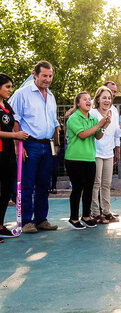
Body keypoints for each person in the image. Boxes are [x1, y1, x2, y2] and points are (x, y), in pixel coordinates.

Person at [10, 61, 60, 233]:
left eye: (50, 76)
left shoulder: (51, 96)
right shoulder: (22, 93)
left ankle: (41, 219)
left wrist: (56, 144)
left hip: (47, 146)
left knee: (44, 185)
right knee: (27, 184)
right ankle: (26, 221)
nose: (47, 79)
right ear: (35, 74)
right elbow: (14, 119)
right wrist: (19, 145)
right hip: (29, 144)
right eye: (44, 75)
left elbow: (54, 122)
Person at [65, 92, 109, 229]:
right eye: (85, 99)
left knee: (89, 189)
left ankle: (86, 216)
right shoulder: (73, 118)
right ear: (78, 103)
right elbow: (83, 135)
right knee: (78, 188)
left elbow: (98, 136)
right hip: (74, 158)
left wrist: (104, 125)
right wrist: (99, 125)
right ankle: (73, 218)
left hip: (90, 158)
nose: (88, 101)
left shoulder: (93, 119)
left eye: (90, 99)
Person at [89, 86, 121, 223]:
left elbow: (116, 132)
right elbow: (92, 133)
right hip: (96, 152)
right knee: (96, 183)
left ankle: (106, 211)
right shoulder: (93, 113)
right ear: (98, 99)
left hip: (108, 152)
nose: (107, 100)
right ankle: (95, 212)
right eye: (104, 97)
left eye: (109, 98)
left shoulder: (114, 111)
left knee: (106, 183)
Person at [0, 74, 29, 239]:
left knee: (5, 192)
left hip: (8, 154)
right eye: (7, 87)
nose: (10, 90)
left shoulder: (7, 106)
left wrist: (18, 141)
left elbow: (12, 127)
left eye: (11, 87)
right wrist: (15, 136)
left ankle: (1, 225)